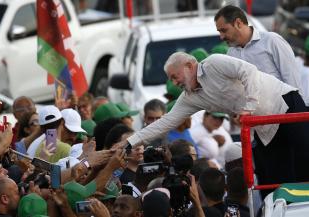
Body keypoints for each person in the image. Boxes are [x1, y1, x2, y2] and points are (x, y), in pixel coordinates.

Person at [126, 52, 309, 196]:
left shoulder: (213, 63)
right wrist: (130, 142)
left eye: (175, 76)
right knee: (275, 179)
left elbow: (249, 71)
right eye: (171, 79)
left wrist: (249, 107)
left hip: (285, 105)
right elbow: (165, 122)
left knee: (305, 161)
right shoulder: (189, 97)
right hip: (263, 128)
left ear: (189, 66)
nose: (174, 83)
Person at [214, 5, 307, 106]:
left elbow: (292, 79)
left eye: (224, 30)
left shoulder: (272, 41)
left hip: (284, 113)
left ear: (238, 23)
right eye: (219, 32)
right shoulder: (231, 54)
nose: (221, 36)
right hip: (255, 118)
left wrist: (297, 112)